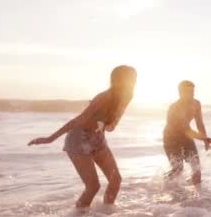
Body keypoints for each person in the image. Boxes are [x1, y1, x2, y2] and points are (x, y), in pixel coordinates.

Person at [28, 65, 137, 209]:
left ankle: (105, 215)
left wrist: (106, 126)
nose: (133, 81)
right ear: (118, 80)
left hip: (98, 139)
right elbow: (80, 119)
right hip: (78, 139)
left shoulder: (127, 96)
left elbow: (112, 126)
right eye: (131, 78)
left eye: (134, 78)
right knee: (93, 187)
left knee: (115, 180)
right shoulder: (105, 96)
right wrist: (51, 138)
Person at [163, 80, 211, 184]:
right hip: (171, 138)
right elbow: (185, 129)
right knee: (178, 169)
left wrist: (205, 141)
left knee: (197, 169)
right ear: (180, 93)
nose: (191, 95)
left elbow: (199, 123)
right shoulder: (175, 107)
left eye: (193, 92)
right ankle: (164, 184)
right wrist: (206, 139)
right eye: (188, 92)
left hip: (186, 138)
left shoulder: (196, 104)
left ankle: (198, 197)